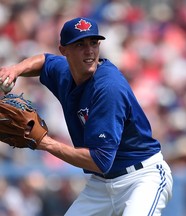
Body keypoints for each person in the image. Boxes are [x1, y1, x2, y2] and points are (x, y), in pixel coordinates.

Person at [0, 17, 173, 215]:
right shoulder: (65, 72)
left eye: (93, 43)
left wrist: (44, 142)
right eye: (80, 44)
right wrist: (15, 70)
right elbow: (44, 61)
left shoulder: (108, 88)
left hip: (141, 178)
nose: (89, 50)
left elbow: (100, 160)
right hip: (102, 184)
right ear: (64, 50)